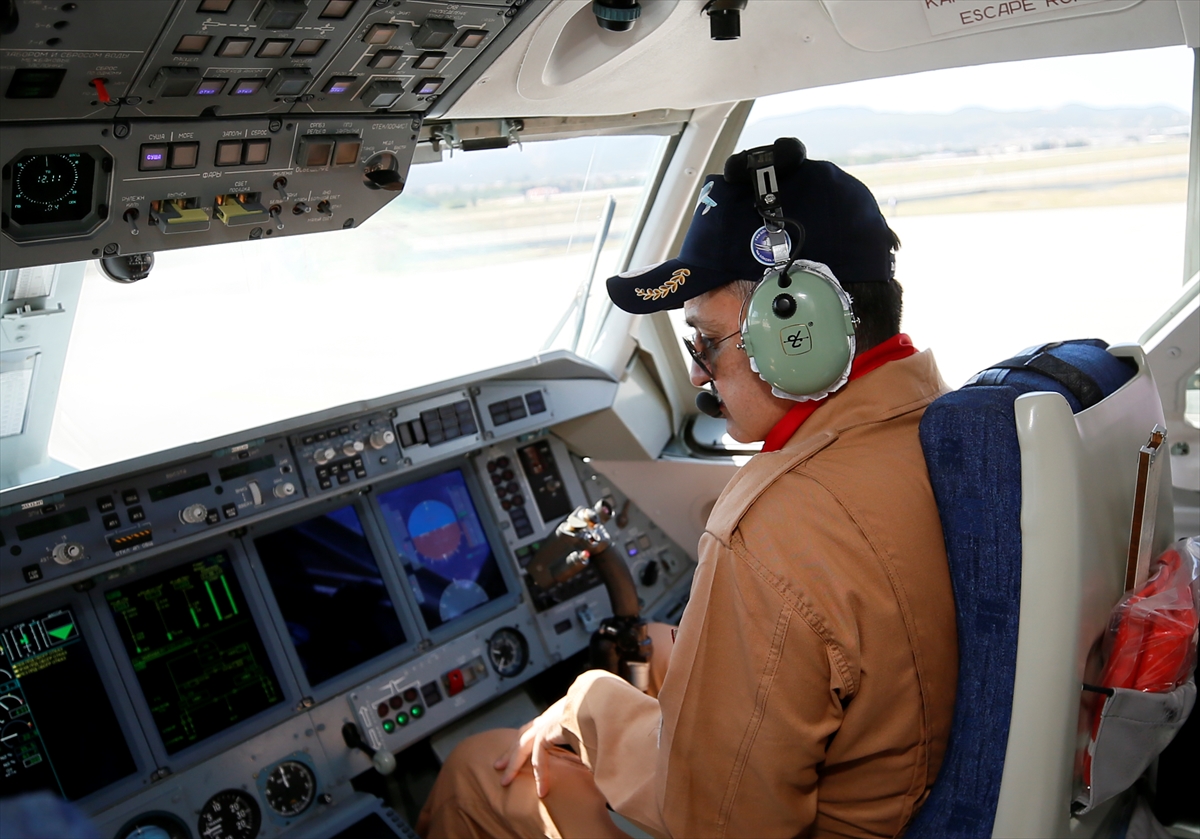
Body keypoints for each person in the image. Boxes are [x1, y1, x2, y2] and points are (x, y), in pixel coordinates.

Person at [417, 141, 958, 839]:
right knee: (654, 654)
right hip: (898, 785)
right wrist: (607, 702)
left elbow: (720, 821)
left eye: (703, 341)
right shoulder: (937, 425)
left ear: (797, 329)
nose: (698, 375)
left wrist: (583, 734)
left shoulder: (774, 525)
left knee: (479, 769)